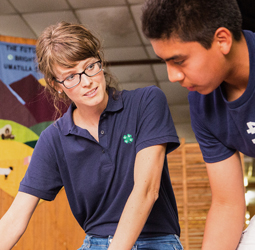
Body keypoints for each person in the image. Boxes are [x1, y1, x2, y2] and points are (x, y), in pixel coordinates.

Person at [141, 0, 255, 249]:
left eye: (179, 61)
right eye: (164, 62)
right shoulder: (202, 103)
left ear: (222, 40)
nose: (172, 76)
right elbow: (227, 204)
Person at [0, 21, 183, 250]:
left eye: (90, 67)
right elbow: (15, 218)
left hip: (156, 241)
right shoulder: (53, 140)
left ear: (100, 60)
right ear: (56, 85)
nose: (87, 82)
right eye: (70, 77)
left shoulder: (146, 102)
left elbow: (147, 191)